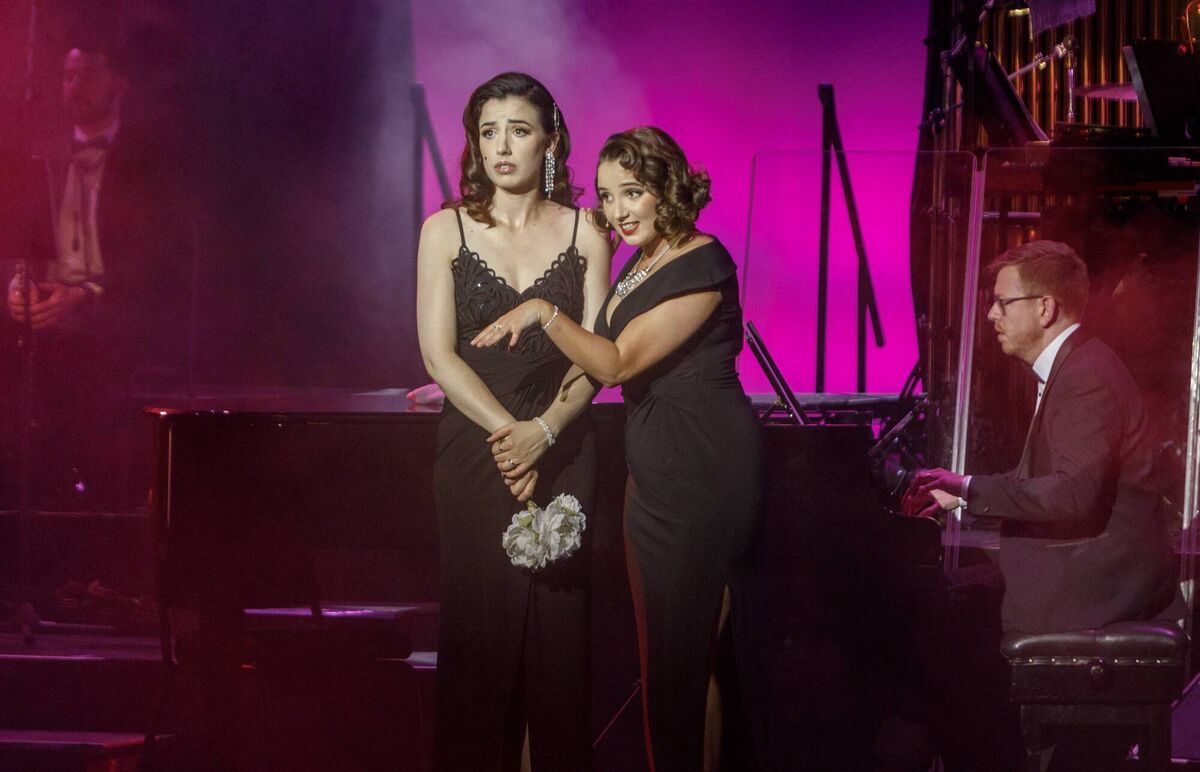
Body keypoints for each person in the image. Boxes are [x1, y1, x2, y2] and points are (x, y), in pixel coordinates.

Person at [475, 126, 765, 772]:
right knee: (667, 665)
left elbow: (615, 362)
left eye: (632, 192)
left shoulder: (702, 263)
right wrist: (515, 409)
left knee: (680, 668)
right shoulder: (641, 264)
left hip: (703, 473)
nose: (617, 210)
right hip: (654, 477)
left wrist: (545, 311)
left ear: (668, 186)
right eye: (606, 196)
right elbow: (586, 366)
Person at [905, 239, 1183, 768]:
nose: (991, 315)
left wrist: (969, 487)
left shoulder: (1085, 378)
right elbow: (1046, 481)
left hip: (1104, 587)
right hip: (1087, 571)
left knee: (940, 627)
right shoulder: (1076, 367)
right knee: (950, 601)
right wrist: (960, 492)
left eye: (1002, 302)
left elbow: (1071, 494)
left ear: (1045, 308)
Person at [415, 72, 612, 771]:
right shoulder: (444, 229)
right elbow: (438, 356)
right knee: (480, 649)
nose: (501, 146)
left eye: (519, 131)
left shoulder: (588, 230)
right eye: (488, 131)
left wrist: (546, 432)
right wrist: (512, 437)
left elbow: (599, 355)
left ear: (550, 143)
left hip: (564, 450)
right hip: (477, 453)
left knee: (558, 653)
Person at [4, 39, 190, 510]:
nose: (74, 87)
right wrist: (16, 282)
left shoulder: (150, 161)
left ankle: (107, 508)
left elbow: (159, 262)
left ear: (119, 85)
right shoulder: (39, 154)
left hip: (116, 314)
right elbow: (14, 241)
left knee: (102, 378)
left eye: (87, 75)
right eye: (68, 77)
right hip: (51, 315)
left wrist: (85, 293)